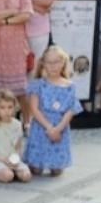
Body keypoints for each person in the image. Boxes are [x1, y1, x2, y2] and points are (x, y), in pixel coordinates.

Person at [23, 45, 82, 176]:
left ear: (63, 63)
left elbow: (70, 110)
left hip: (59, 129)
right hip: (41, 127)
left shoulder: (70, 86)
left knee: (56, 171)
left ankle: (55, 163)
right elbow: (34, 109)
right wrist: (49, 128)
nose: (52, 66)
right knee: (36, 170)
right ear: (43, 64)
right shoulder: (38, 84)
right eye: (49, 62)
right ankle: (32, 163)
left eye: (56, 62)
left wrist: (58, 128)